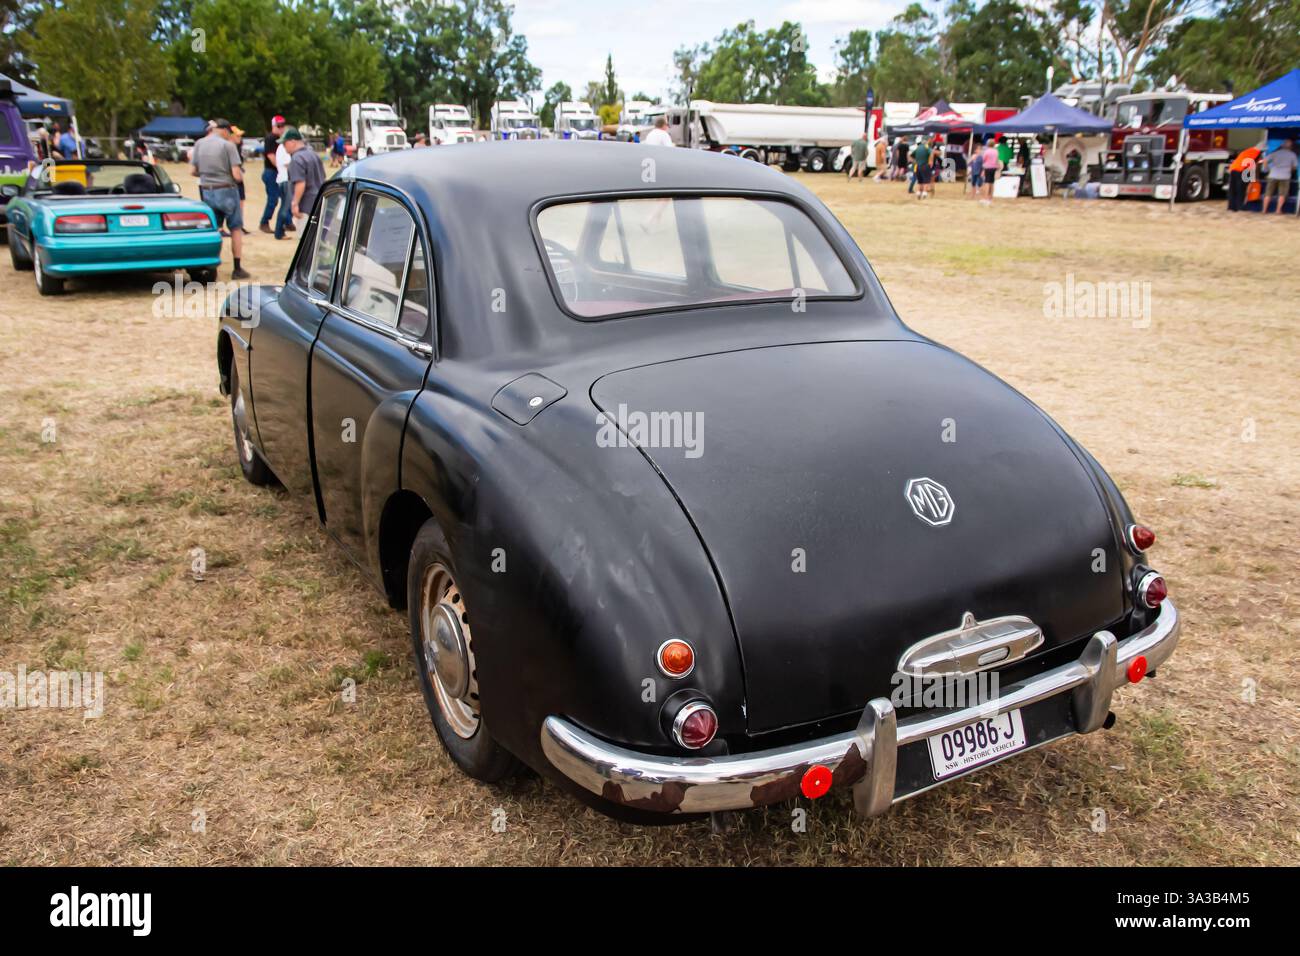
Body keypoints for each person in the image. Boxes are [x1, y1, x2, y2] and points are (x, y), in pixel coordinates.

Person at [190, 118, 250, 279]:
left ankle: (208, 266)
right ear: (224, 130)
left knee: (212, 229)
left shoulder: (199, 144)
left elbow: (193, 171)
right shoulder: (228, 146)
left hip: (207, 191)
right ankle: (237, 268)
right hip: (227, 190)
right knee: (236, 228)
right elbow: (237, 175)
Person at [282, 127, 325, 230]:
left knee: (305, 239)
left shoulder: (297, 158)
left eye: (284, 143)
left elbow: (300, 183)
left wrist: (295, 203)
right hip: (319, 202)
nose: (283, 147)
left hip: (306, 206)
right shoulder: (313, 154)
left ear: (292, 142)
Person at [259, 115, 286, 234]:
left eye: (282, 125)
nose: (281, 128)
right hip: (271, 172)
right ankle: (264, 222)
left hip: (277, 172)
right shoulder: (270, 138)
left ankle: (288, 222)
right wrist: (281, 168)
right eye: (279, 126)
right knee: (273, 199)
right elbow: (271, 157)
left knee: (286, 197)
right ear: (273, 126)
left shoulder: (282, 139)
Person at [1262, 138, 1296, 215]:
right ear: (1291, 147)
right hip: (1285, 176)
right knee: (1282, 194)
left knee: (1268, 193)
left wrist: (1267, 169)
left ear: (1282, 145)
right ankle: (1278, 210)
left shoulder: (1275, 153)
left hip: (1273, 175)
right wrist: (1290, 171)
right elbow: (1294, 167)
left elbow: (1265, 160)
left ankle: (1264, 210)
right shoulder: (1292, 155)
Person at [912, 135, 932, 199]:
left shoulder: (918, 147)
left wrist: (914, 161)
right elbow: (931, 153)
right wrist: (931, 161)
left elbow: (910, 155)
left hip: (917, 166)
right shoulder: (927, 147)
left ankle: (918, 192)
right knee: (926, 180)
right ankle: (924, 193)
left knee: (919, 181)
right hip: (925, 165)